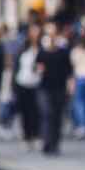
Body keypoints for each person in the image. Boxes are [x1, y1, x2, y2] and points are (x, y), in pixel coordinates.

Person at [36, 26, 71, 156]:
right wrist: (39, 69)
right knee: (47, 115)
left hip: (59, 87)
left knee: (57, 116)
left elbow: (68, 70)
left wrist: (69, 85)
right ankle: (47, 142)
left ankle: (55, 143)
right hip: (45, 88)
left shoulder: (63, 52)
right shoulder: (42, 52)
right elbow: (37, 67)